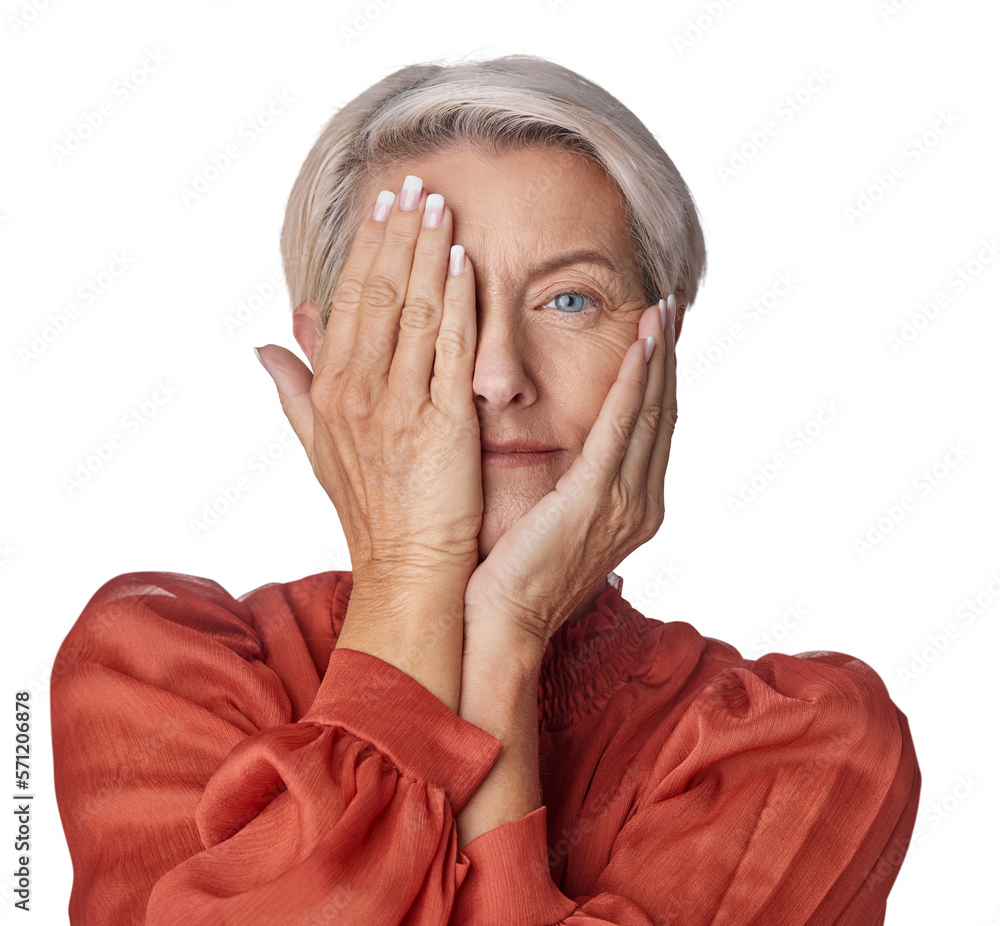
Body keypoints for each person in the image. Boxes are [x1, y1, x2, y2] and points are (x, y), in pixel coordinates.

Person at [51, 54, 920, 925]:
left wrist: (507, 637)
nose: (498, 375)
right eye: (431, 303)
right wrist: (411, 573)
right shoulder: (155, 669)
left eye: (571, 301)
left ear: (662, 346)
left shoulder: (804, 745)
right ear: (327, 360)